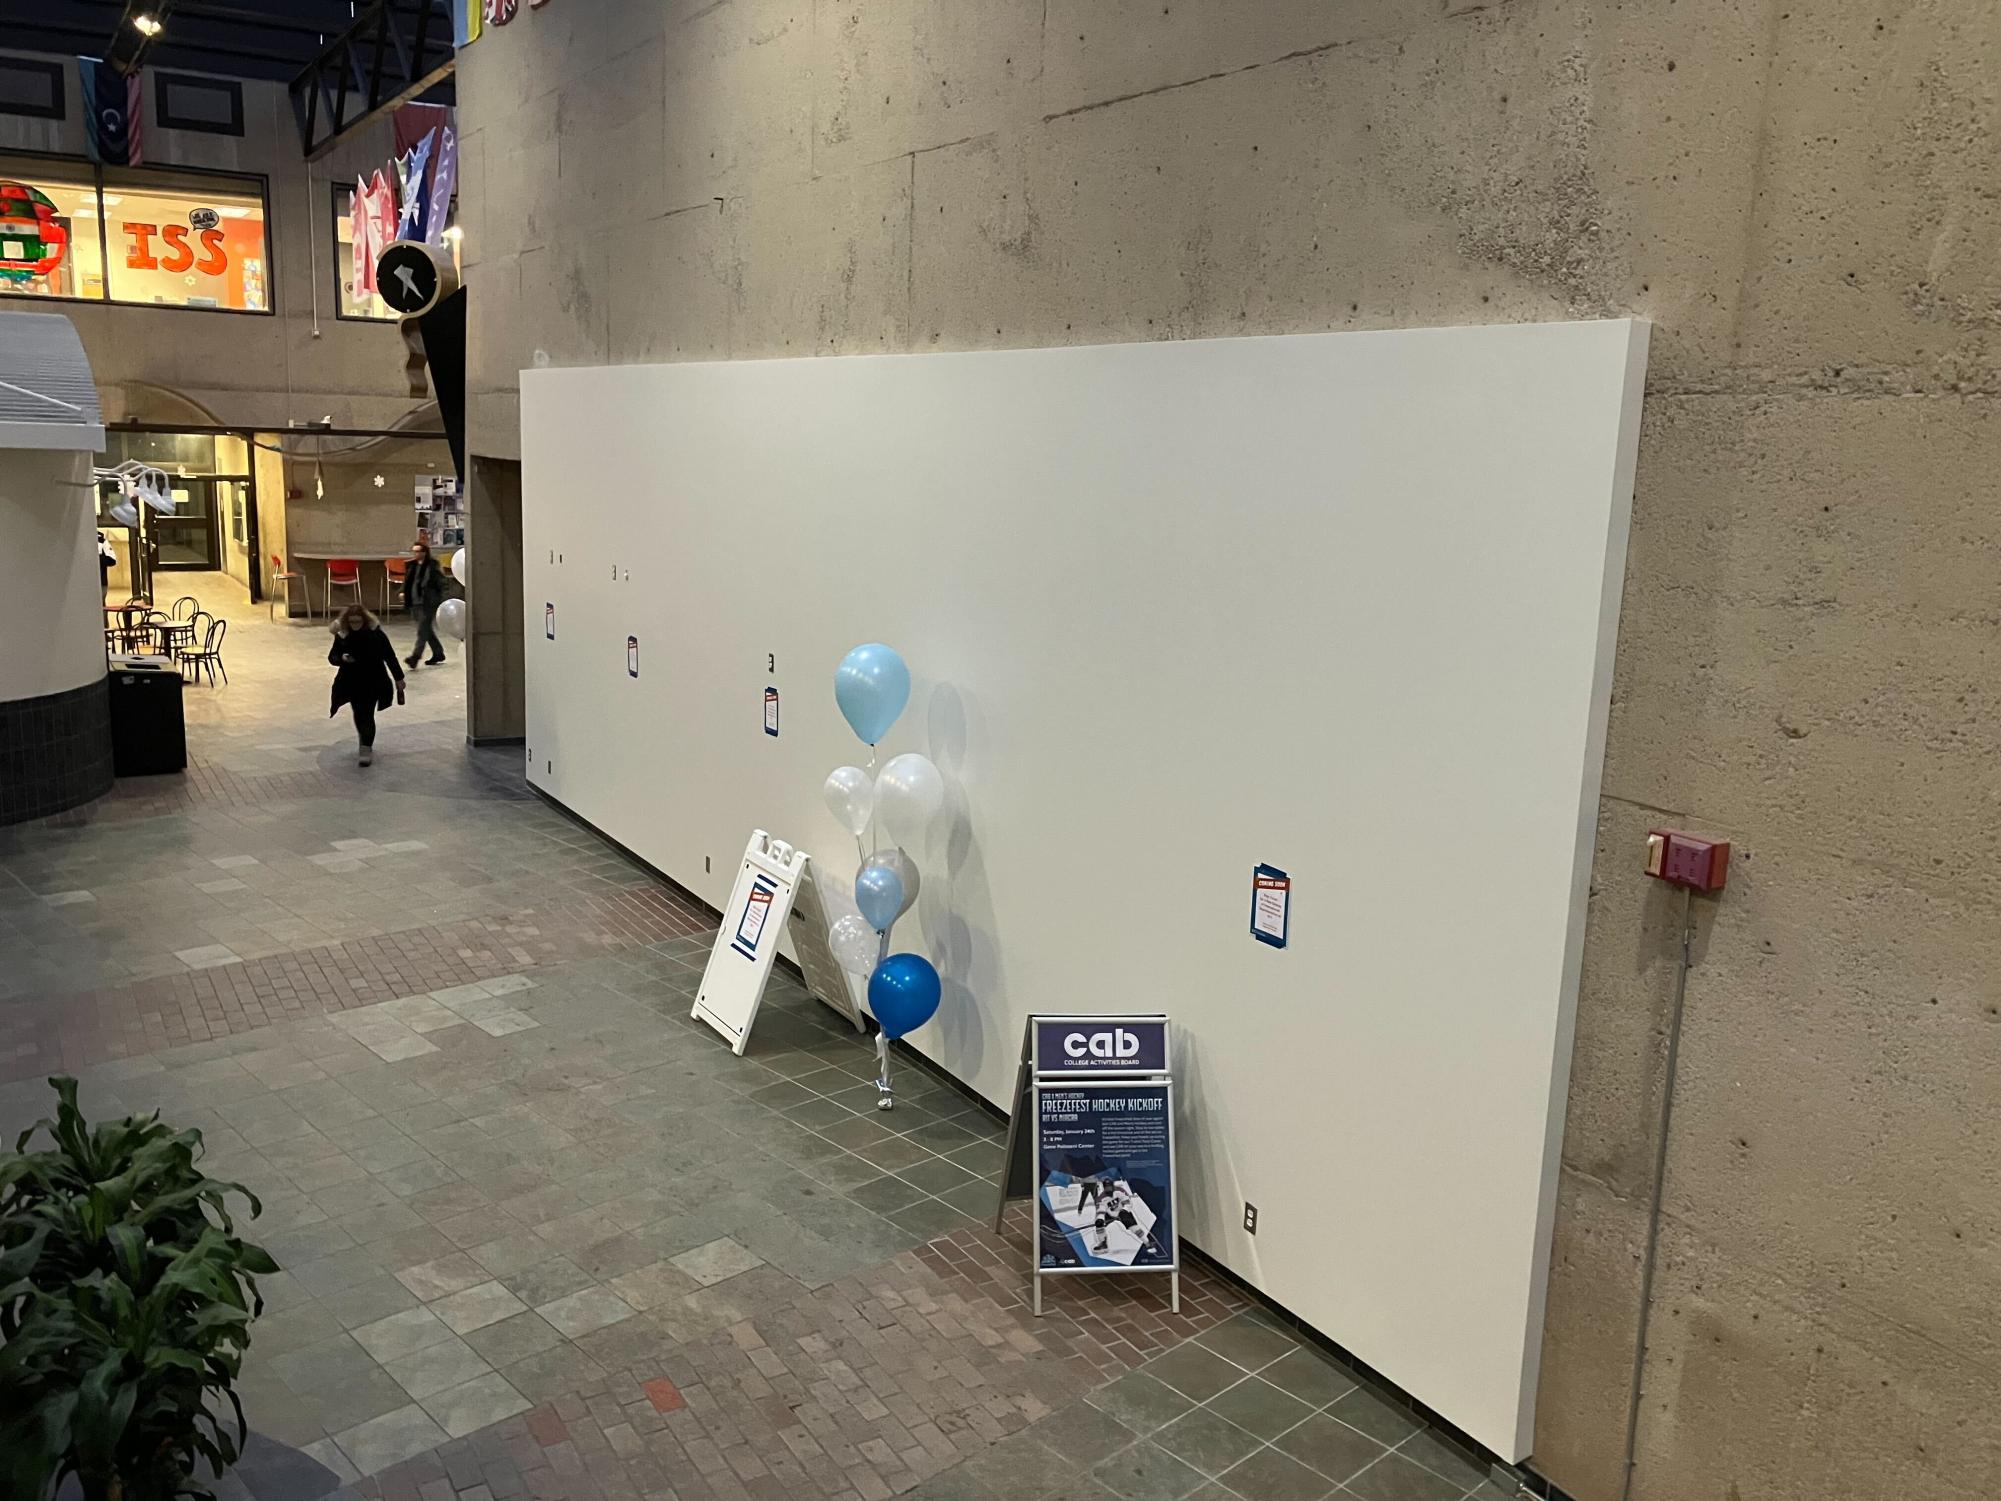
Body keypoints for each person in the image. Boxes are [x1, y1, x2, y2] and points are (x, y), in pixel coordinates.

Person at [328, 604, 405, 767]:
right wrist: (342, 657)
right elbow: (332, 656)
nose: (355, 625)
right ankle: (365, 742)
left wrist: (399, 678)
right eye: (352, 621)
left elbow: (389, 656)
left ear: (364, 620)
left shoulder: (376, 635)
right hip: (352, 681)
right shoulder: (343, 636)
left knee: (367, 713)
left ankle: (366, 746)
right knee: (359, 712)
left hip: (373, 680)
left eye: (357, 621)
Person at [402, 540, 448, 668]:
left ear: (424, 552)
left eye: (418, 551)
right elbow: (408, 582)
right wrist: (403, 592)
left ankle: (415, 657)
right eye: (414, 551)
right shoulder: (411, 566)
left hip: (428, 601)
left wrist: (440, 598)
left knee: (422, 630)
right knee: (426, 629)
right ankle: (438, 653)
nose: (416, 554)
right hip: (415, 600)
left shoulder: (432, 566)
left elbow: (441, 583)